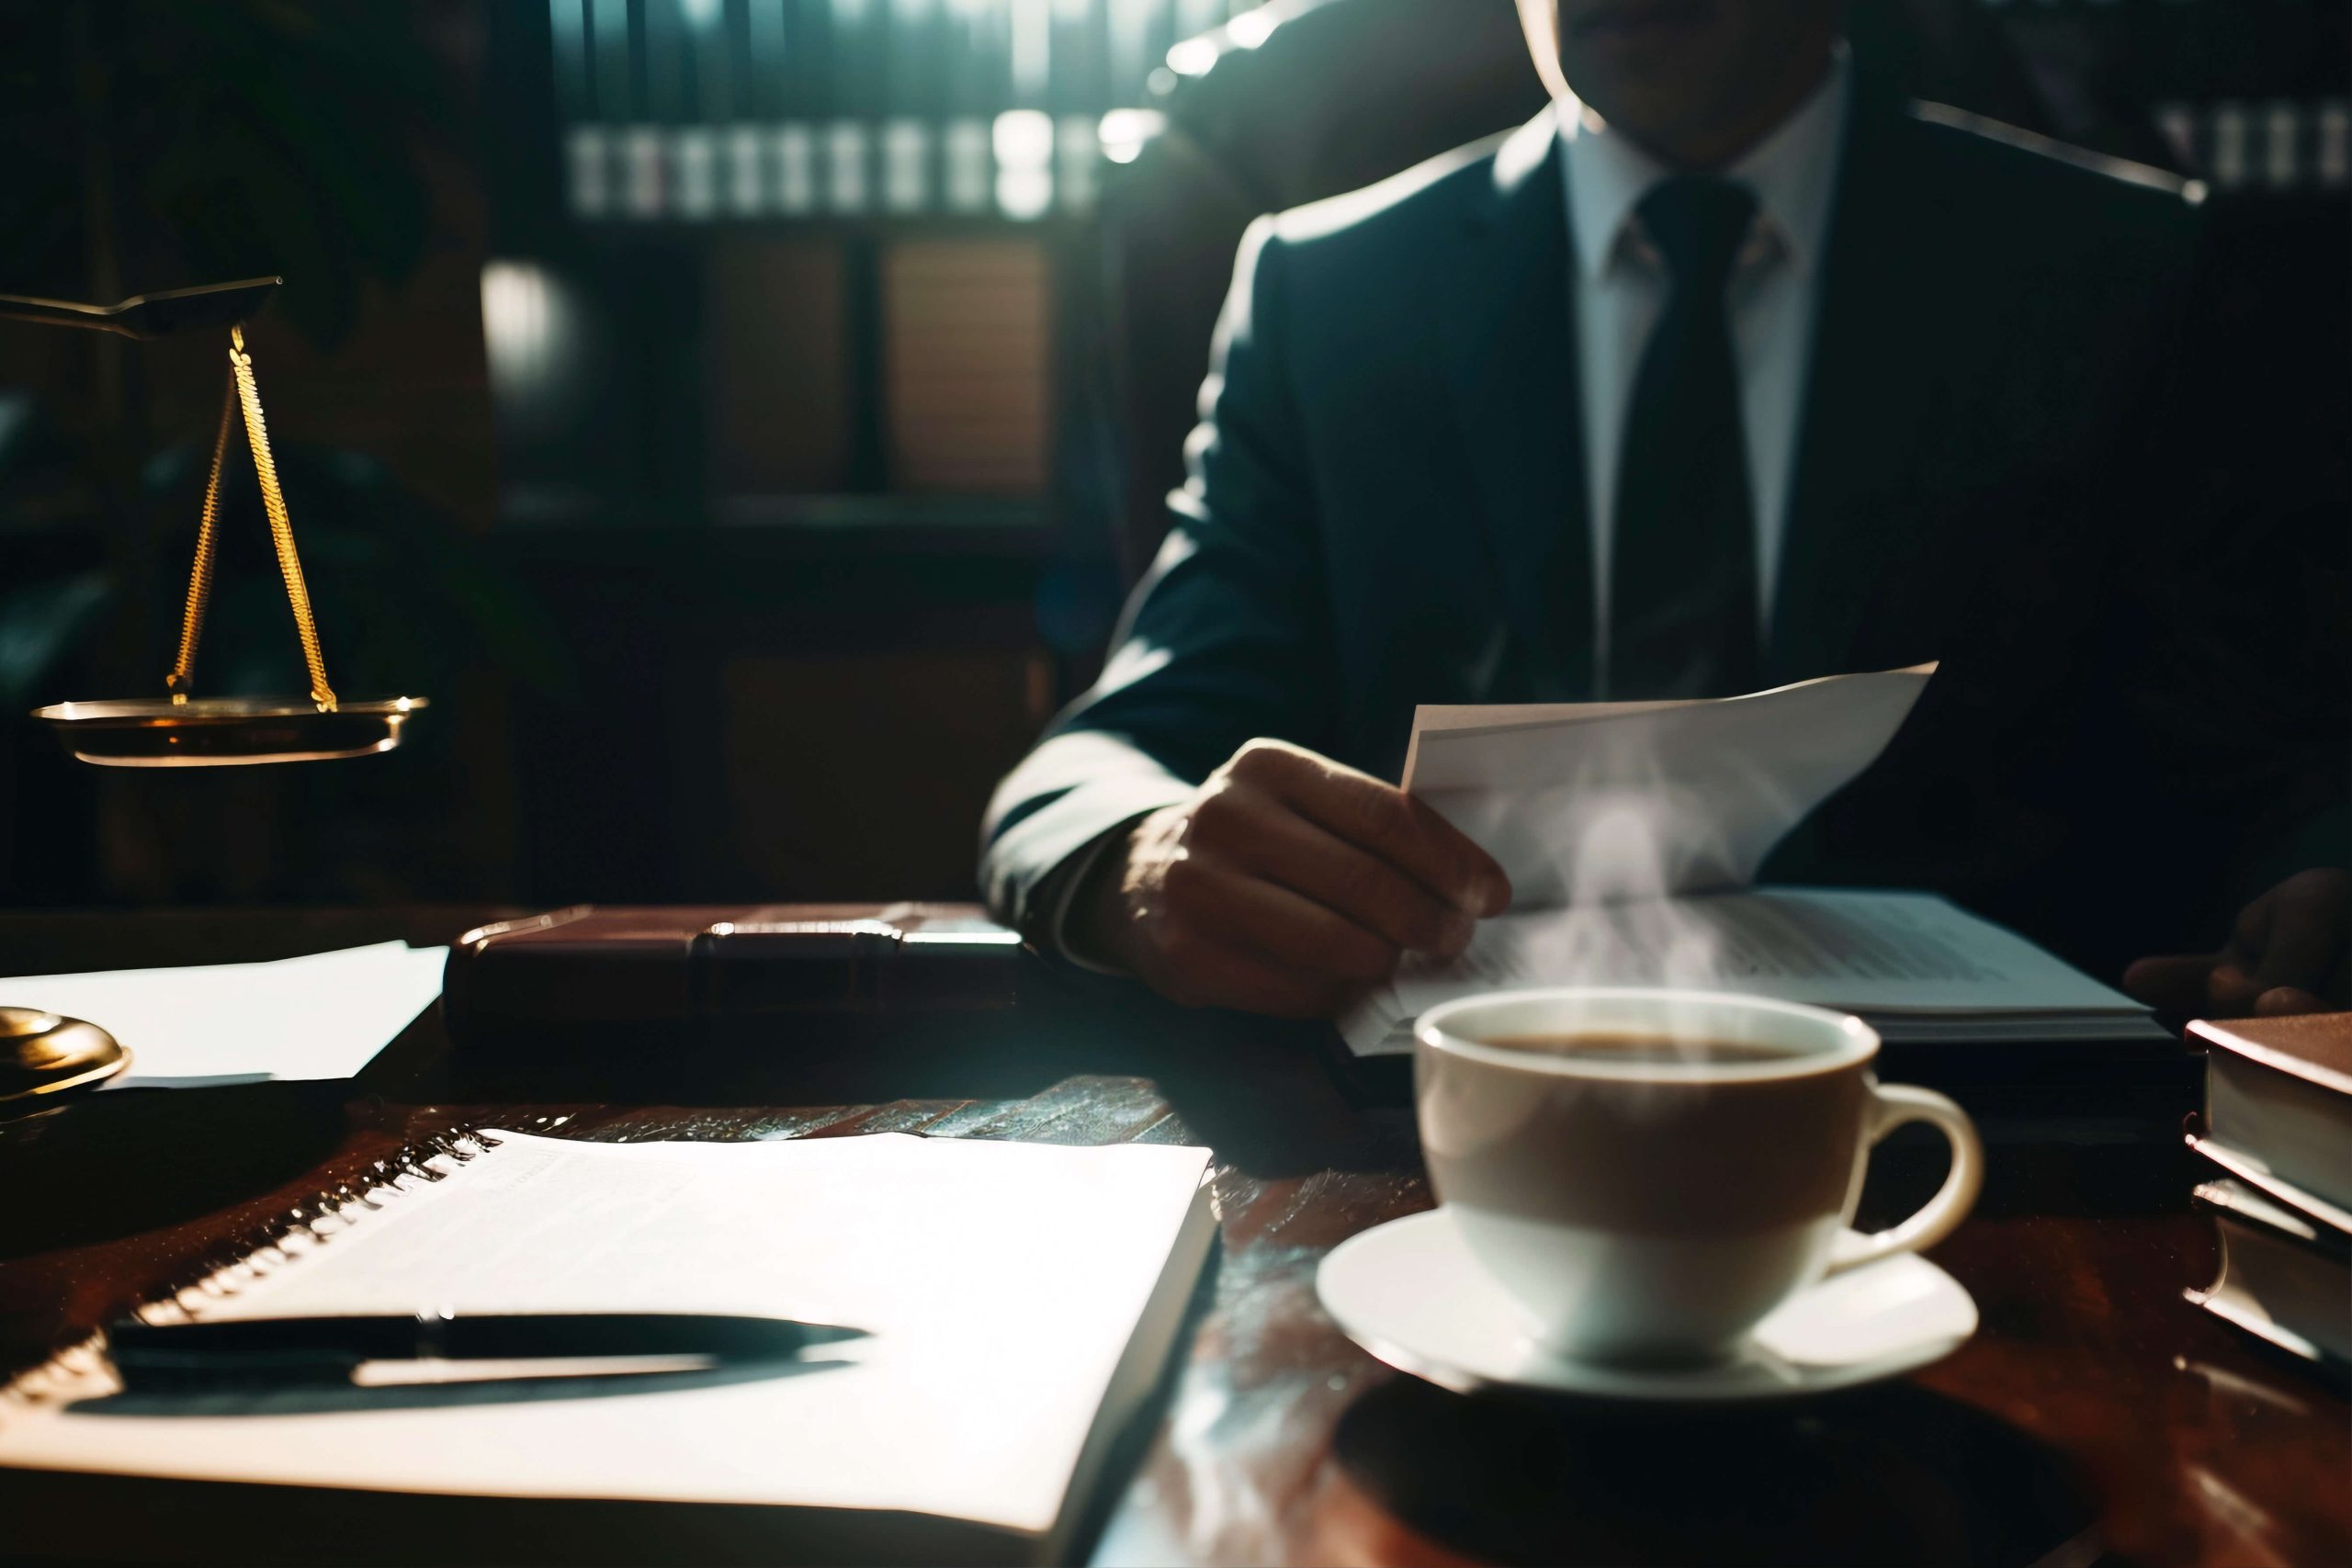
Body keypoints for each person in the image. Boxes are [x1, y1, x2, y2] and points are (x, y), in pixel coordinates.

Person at [981, 0, 2346, 1020]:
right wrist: (1145, 860)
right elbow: (1094, 766)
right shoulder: (1327, 295)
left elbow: (2283, 743)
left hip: (1997, 1151)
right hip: (1441, 1142)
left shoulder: (2122, 271)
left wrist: (2317, 887)